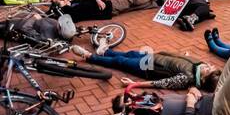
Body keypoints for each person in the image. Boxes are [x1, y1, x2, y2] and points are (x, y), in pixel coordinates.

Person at [76, 46, 221, 91]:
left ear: (202, 78)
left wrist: (134, 84)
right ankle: (105, 52)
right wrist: (185, 55)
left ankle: (90, 57)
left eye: (208, 69)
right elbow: (183, 61)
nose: (207, 65)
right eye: (210, 65)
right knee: (130, 53)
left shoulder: (187, 78)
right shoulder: (198, 66)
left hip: (148, 68)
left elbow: (161, 83)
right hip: (154, 57)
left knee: (120, 61)